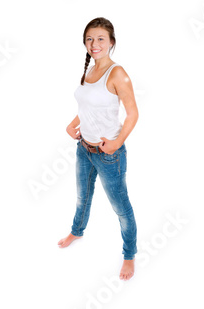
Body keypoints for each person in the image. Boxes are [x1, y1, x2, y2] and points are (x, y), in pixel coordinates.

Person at [58, 17, 138, 280]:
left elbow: (133, 114)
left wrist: (116, 143)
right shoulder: (89, 70)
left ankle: (129, 255)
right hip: (85, 149)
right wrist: (73, 124)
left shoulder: (118, 73)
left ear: (111, 42)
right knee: (82, 197)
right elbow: (87, 107)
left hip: (109, 154)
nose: (94, 44)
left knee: (121, 207)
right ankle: (77, 231)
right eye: (90, 39)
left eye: (100, 38)